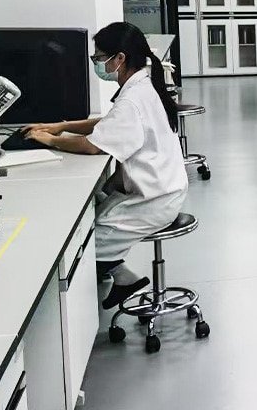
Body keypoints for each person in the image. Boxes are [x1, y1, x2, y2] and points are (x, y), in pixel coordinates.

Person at [26, 22, 188, 309]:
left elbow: (93, 145)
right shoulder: (141, 85)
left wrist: (50, 140)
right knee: (93, 220)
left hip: (154, 200)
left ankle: (120, 278)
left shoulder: (134, 97)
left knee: (82, 245)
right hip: (162, 189)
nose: (97, 64)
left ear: (120, 58)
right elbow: (110, 124)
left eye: (99, 57)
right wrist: (60, 127)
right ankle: (123, 278)